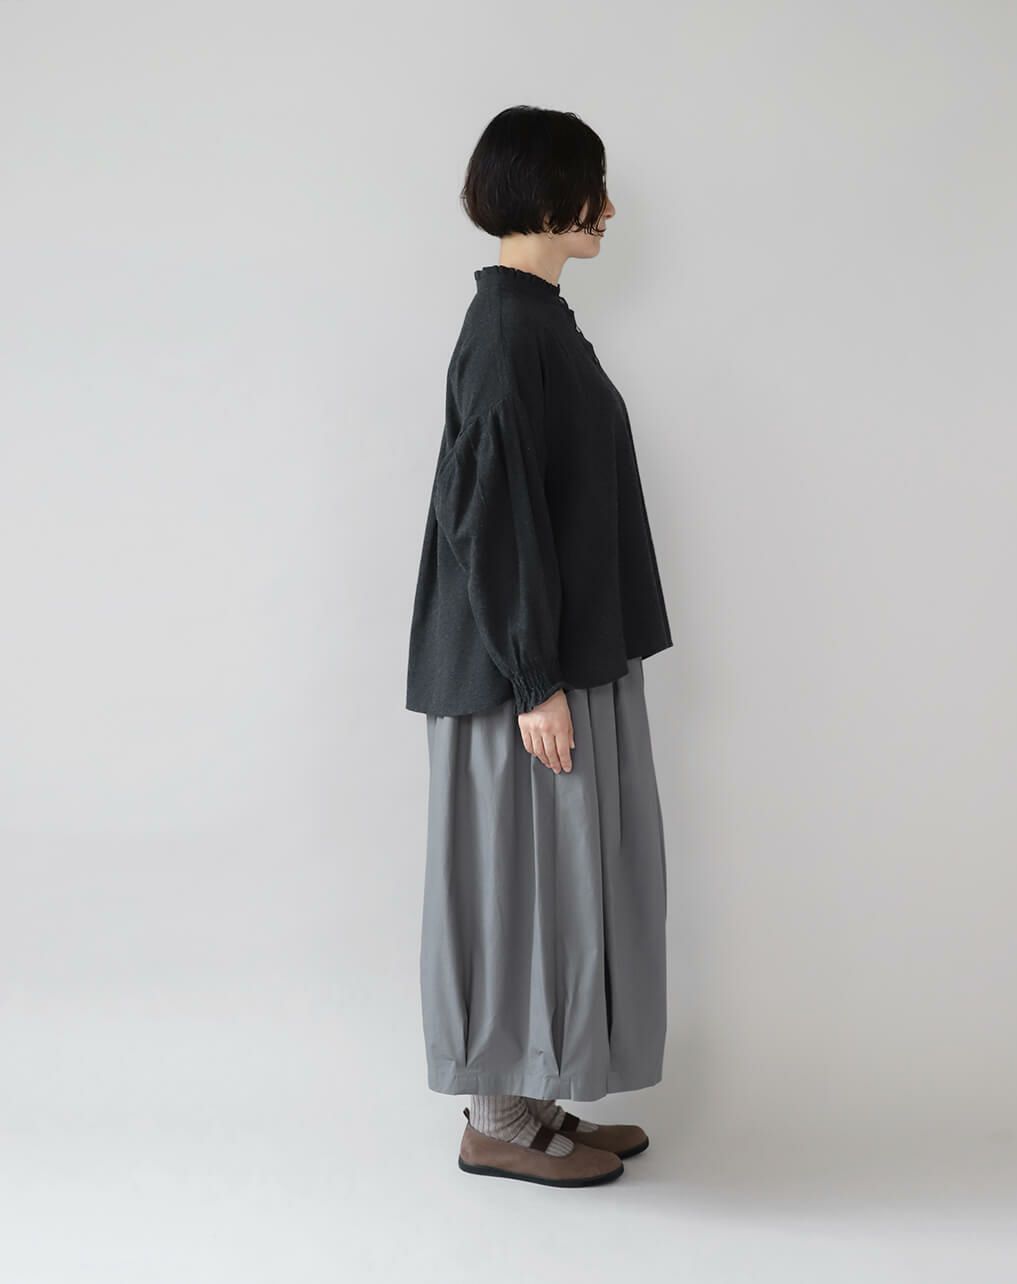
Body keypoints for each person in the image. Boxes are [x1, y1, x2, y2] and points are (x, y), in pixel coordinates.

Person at [405, 105, 674, 1188]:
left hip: (556, 654)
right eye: (591, 186)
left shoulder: (536, 320)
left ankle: (532, 1098)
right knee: (513, 883)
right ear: (547, 192)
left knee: (550, 880)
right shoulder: (506, 332)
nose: (607, 208)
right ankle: (495, 1123)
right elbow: (488, 514)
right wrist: (534, 681)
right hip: (516, 674)